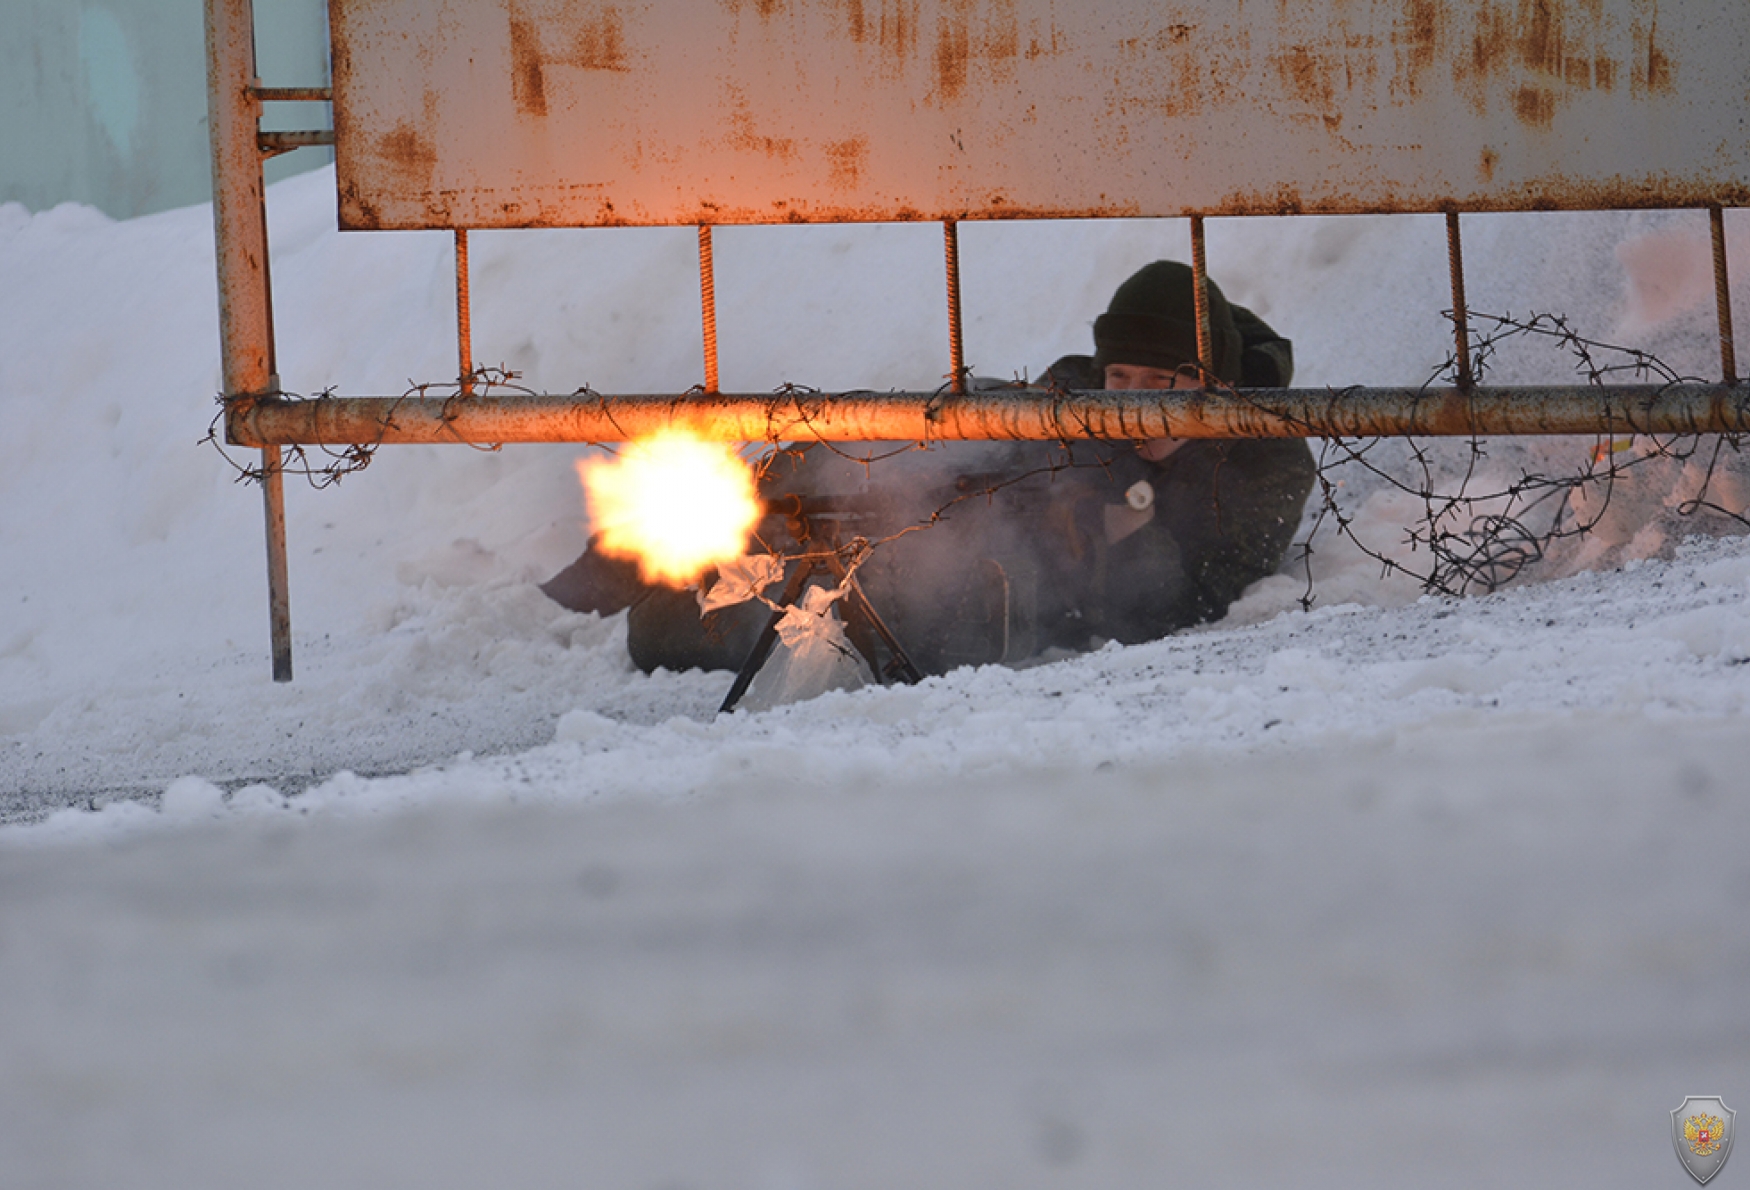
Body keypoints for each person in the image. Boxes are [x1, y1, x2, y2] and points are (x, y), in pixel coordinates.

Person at [542, 260, 1316, 678]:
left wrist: (1118, 531)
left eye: (1165, 389)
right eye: (1122, 383)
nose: (1137, 409)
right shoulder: (1068, 398)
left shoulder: (1263, 457)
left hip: (991, 596)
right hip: (943, 537)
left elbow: (1199, 596)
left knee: (818, 629)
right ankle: (641, 554)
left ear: (1211, 383)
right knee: (849, 468)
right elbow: (953, 438)